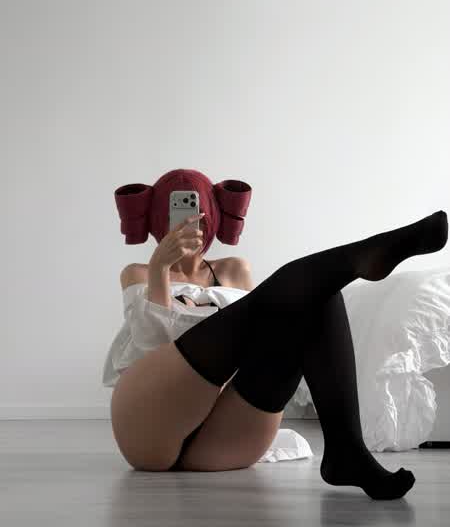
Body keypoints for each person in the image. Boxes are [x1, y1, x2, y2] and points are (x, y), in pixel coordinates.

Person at [110, 170, 448, 500]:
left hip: (223, 435)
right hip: (150, 424)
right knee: (304, 286)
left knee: (317, 295)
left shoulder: (233, 269)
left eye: (197, 212)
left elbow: (261, 343)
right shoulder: (139, 272)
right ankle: (359, 259)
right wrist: (160, 268)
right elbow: (150, 345)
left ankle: (347, 451)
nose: (187, 222)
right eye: (173, 211)